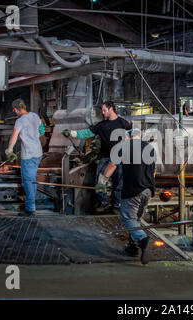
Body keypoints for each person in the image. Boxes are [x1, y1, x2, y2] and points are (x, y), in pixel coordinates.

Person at [96, 128, 156, 265]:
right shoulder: (150, 148)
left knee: (127, 217)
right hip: (148, 190)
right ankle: (133, 247)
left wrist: (101, 182)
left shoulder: (125, 147)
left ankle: (143, 239)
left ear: (128, 136)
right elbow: (153, 172)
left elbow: (112, 165)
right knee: (136, 220)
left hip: (133, 190)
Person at [62, 101, 132, 214]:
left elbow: (133, 136)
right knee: (99, 181)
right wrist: (72, 133)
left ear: (111, 109)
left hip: (120, 158)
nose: (103, 113)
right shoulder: (101, 125)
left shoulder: (123, 123)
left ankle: (116, 204)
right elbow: (87, 133)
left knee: (119, 182)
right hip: (105, 157)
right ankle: (103, 202)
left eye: (104, 110)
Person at [6, 98, 45, 217]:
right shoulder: (35, 116)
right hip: (38, 153)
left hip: (28, 155)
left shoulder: (20, 120)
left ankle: (30, 210)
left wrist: (9, 150)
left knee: (28, 182)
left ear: (15, 109)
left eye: (14, 111)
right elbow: (42, 131)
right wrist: (33, 138)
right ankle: (30, 205)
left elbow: (14, 136)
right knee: (31, 180)